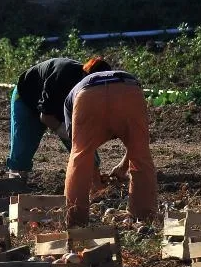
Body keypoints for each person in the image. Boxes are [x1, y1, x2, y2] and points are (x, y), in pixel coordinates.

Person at [61, 69, 157, 227]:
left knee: (80, 155)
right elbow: (137, 144)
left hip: (88, 96)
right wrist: (124, 165)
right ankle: (144, 218)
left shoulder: (70, 99)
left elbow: (78, 150)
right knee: (141, 154)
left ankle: (75, 221)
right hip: (128, 88)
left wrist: (95, 179)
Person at [6, 56, 111, 178]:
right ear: (85, 77)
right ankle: (15, 180)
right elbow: (46, 117)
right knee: (23, 146)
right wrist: (66, 133)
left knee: (84, 151)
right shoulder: (61, 76)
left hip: (59, 105)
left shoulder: (94, 90)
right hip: (27, 98)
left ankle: (91, 177)